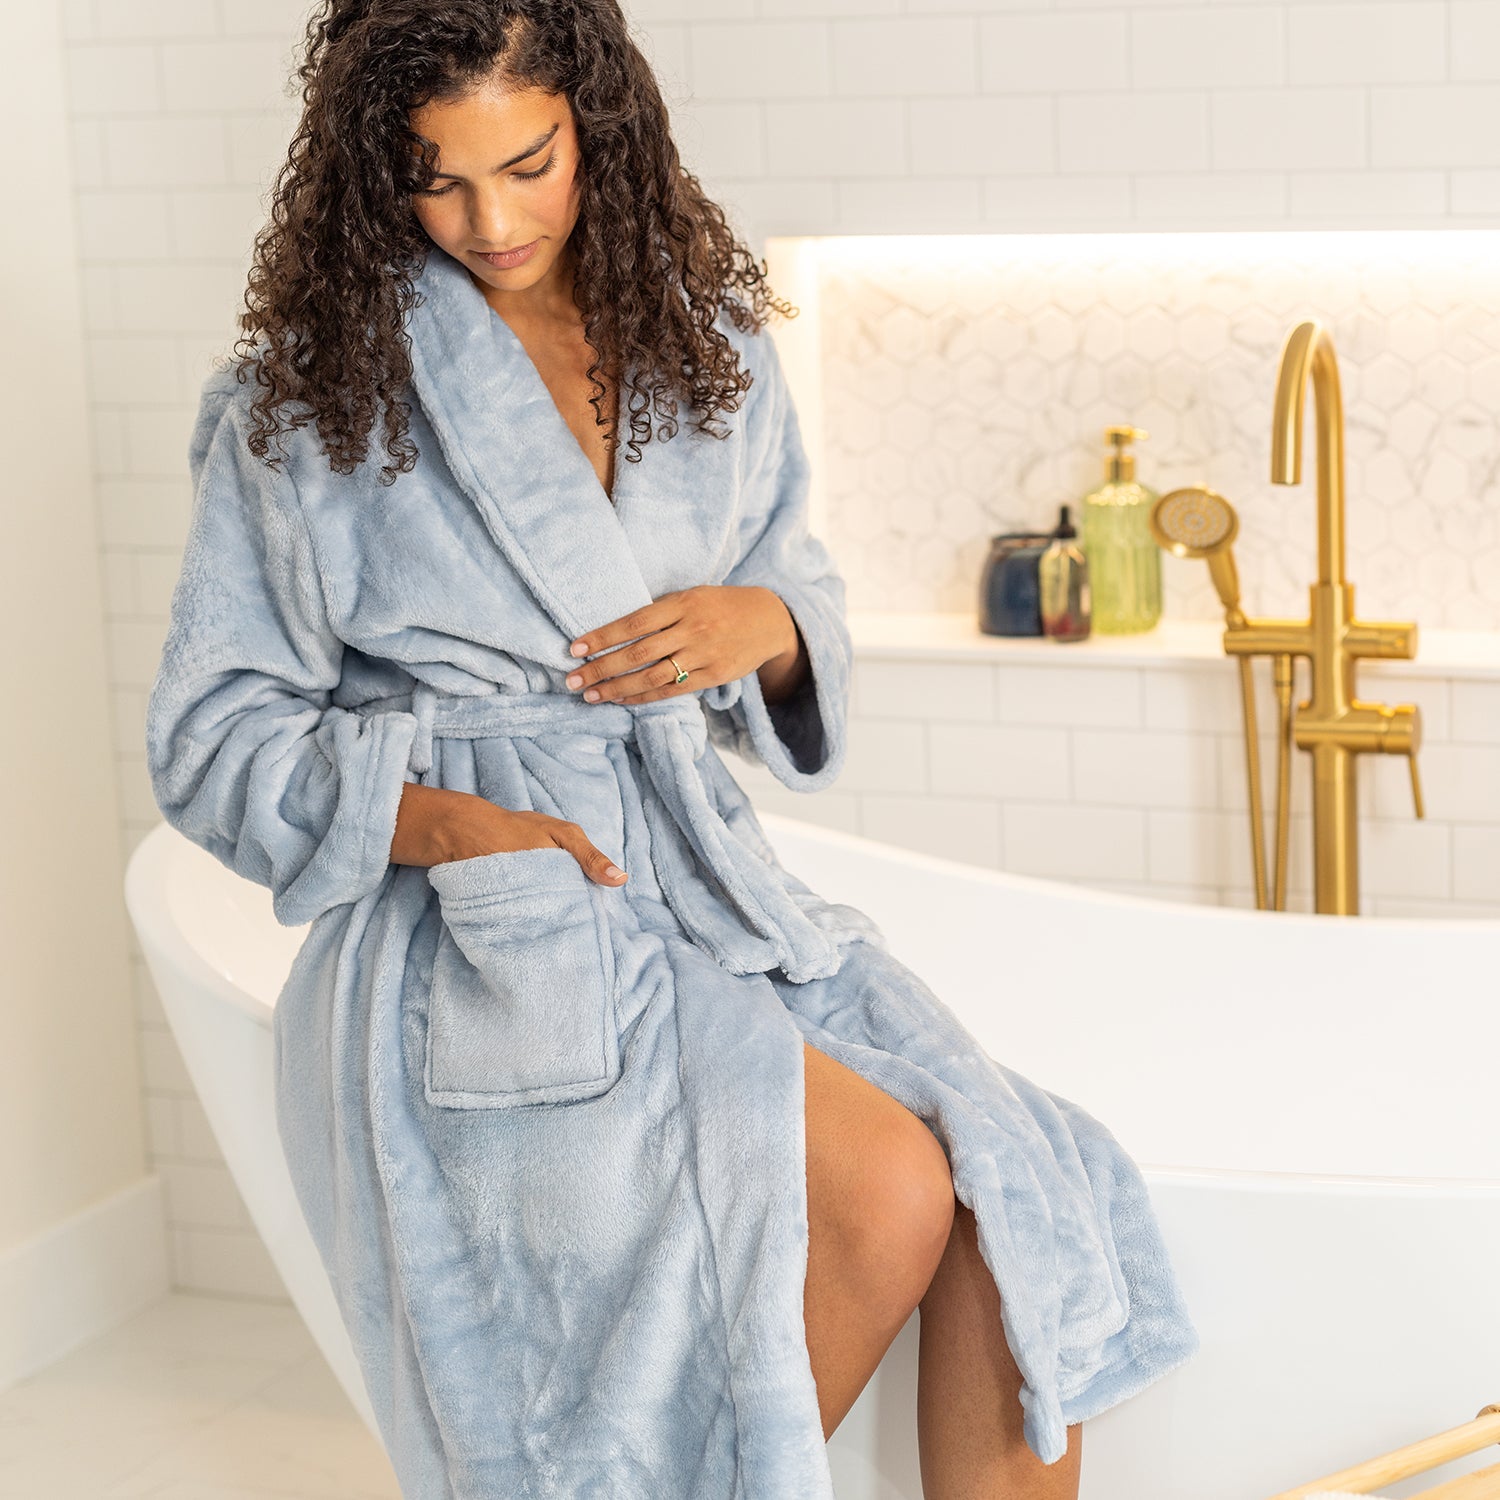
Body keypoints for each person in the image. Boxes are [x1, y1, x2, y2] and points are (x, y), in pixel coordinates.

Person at [144, 3, 1200, 1497]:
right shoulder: (306, 403)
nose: (490, 220)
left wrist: (762, 621)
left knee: (1018, 1189)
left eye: (527, 163)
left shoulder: (707, 355)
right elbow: (212, 734)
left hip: (699, 884)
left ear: (598, 125)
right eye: (435, 180)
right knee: (892, 1191)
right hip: (486, 936)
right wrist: (455, 828)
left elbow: (802, 589)